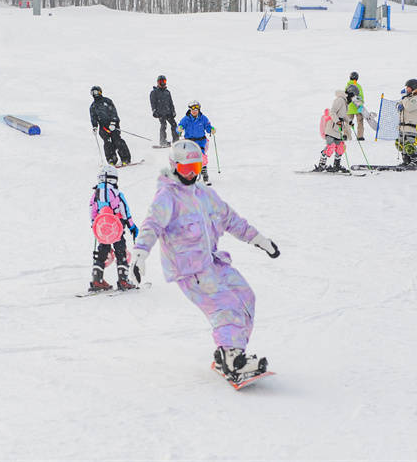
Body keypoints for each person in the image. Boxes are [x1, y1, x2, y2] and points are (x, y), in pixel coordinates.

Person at [129, 140, 280, 383]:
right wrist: (139, 254)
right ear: (174, 166)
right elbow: (152, 225)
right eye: (186, 167)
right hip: (189, 269)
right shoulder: (167, 196)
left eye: (196, 166)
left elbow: (231, 220)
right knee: (226, 306)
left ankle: (227, 354)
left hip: (212, 262)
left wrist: (259, 240)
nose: (191, 173)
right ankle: (233, 359)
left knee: (245, 297)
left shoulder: (204, 193)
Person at [89, 165, 139, 291]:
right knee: (120, 250)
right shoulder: (117, 193)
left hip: (102, 228)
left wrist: (94, 224)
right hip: (116, 227)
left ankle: (97, 279)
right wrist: (132, 226)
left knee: (102, 250)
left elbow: (92, 211)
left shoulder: (95, 194)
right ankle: (123, 280)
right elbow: (125, 210)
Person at [314, 87, 354, 173]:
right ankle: (321, 165)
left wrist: (349, 122)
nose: (353, 99)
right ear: (350, 94)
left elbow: (343, 115)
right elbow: (332, 112)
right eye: (353, 96)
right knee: (330, 146)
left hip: (338, 129)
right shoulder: (340, 100)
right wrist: (337, 121)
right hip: (332, 127)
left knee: (340, 147)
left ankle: (337, 166)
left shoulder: (345, 102)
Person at [89, 86, 132, 166]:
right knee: (107, 143)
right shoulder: (93, 106)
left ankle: (125, 159)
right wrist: (95, 126)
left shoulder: (107, 101)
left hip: (113, 124)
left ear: (100, 92)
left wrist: (113, 122)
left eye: (96, 92)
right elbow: (93, 117)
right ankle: (111, 159)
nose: (94, 94)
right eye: (92, 92)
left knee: (117, 140)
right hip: (103, 127)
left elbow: (113, 112)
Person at [177, 101, 214, 184]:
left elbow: (208, 127)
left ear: (199, 110)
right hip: (190, 142)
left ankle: (205, 175)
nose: (194, 112)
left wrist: (211, 129)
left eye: (196, 110)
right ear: (190, 110)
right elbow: (180, 126)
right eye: (192, 110)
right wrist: (179, 129)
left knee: (202, 157)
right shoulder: (186, 119)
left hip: (201, 141)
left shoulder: (203, 118)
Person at [395, 79, 417, 167]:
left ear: (413, 87)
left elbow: (409, 107)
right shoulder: (408, 97)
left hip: (411, 126)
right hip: (403, 126)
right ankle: (406, 161)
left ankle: (414, 161)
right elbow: (398, 104)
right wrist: (399, 105)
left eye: (408, 88)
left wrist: (404, 98)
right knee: (401, 143)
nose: (406, 89)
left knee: (409, 143)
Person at [150, 75, 180, 147]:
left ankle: (176, 140)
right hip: (160, 113)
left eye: (164, 81)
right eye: (161, 82)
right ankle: (163, 141)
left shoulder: (167, 92)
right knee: (163, 125)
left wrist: (173, 111)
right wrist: (154, 111)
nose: (162, 83)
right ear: (158, 82)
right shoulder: (154, 92)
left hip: (168, 112)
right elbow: (152, 102)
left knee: (174, 125)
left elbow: (171, 103)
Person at [346, 71, 365, 140]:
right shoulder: (358, 86)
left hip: (349, 107)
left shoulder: (347, 86)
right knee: (360, 122)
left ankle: (346, 135)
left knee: (347, 122)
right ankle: (360, 136)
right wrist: (361, 103)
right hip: (358, 107)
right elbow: (361, 96)